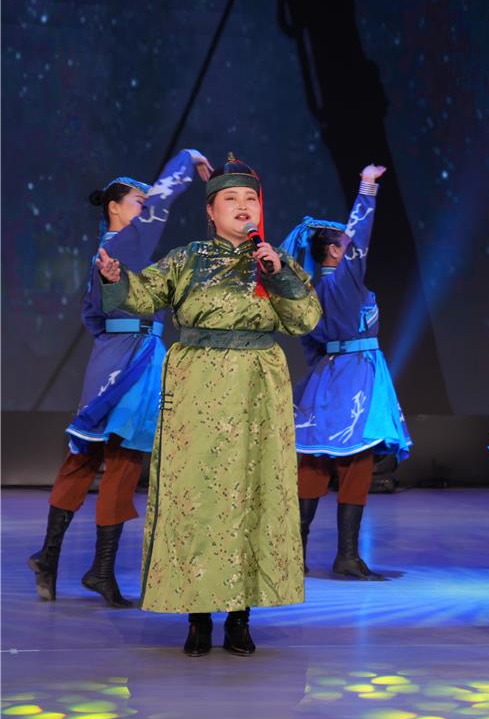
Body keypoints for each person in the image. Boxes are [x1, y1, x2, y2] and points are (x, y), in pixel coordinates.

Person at [95, 154, 322, 656]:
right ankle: (197, 615)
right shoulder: (188, 258)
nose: (243, 206)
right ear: (211, 211)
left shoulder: (276, 260)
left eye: (250, 199)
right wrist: (116, 279)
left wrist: (278, 275)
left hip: (258, 388)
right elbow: (145, 294)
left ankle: (241, 616)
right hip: (197, 388)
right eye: (231, 199)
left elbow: (305, 320)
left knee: (254, 494)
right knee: (196, 494)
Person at [29, 149, 211, 607]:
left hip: (124, 353)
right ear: (114, 207)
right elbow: (159, 207)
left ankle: (58, 559)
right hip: (130, 357)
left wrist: (118, 338)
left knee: (93, 455)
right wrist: (186, 161)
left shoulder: (115, 251)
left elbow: (91, 315)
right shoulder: (122, 244)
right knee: (118, 456)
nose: (145, 210)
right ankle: (90, 568)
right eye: (137, 202)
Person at [279, 164, 412, 581]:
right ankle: (347, 556)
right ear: (335, 253)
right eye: (346, 245)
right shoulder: (343, 282)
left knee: (316, 459)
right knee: (356, 461)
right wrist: (367, 188)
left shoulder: (311, 291)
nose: (353, 248)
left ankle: (295, 555)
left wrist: (325, 369)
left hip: (326, 377)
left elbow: (309, 341)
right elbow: (362, 233)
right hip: (354, 377)